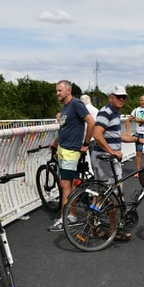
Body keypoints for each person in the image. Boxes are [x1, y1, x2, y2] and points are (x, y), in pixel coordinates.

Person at [90, 86, 144, 241]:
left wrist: (138, 139)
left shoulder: (114, 113)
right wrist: (112, 151)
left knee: (101, 194)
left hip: (105, 158)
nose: (122, 100)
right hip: (105, 159)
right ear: (111, 97)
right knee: (113, 195)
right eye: (118, 97)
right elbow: (96, 135)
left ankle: (93, 227)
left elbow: (118, 136)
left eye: (124, 97)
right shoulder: (106, 112)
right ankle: (113, 231)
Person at [47, 80, 95, 232]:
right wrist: (55, 142)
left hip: (71, 151)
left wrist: (85, 144)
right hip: (63, 149)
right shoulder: (66, 107)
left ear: (68, 90)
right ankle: (72, 216)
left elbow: (91, 122)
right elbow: (65, 128)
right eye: (57, 91)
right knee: (71, 184)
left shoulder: (76, 104)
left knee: (65, 184)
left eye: (60, 90)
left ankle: (64, 219)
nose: (57, 93)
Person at [125, 94, 144, 170]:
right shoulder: (136, 110)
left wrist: (137, 120)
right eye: (141, 100)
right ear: (139, 101)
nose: (143, 102)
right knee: (138, 153)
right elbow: (127, 121)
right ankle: (138, 171)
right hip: (139, 134)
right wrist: (128, 133)